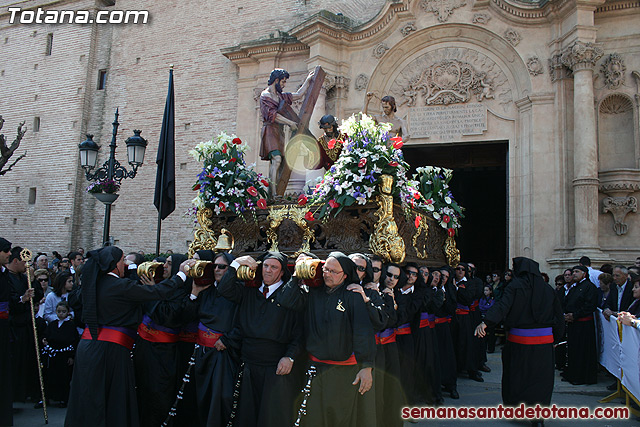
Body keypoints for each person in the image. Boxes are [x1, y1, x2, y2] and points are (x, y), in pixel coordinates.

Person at [64, 246, 192, 427]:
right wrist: (180, 275)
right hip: (110, 351)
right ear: (114, 264)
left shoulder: (94, 284)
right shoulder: (118, 286)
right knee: (111, 399)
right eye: (122, 260)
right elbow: (155, 293)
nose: (125, 264)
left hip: (89, 349)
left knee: (89, 397)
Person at [277, 252, 376, 427]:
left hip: (342, 372)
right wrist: (296, 275)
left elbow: (363, 332)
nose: (327, 274)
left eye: (333, 271)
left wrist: (366, 366)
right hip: (314, 368)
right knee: (312, 418)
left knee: (338, 419)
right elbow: (285, 300)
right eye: (325, 270)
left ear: (345, 275)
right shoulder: (313, 293)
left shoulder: (352, 296)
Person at [216, 252, 304, 427]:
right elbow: (223, 289)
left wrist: (290, 356)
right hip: (248, 364)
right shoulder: (249, 292)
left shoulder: (291, 295)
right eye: (265, 266)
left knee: (271, 417)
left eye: (274, 267)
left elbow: (300, 332)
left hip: (276, 366)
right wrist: (236, 264)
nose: (268, 271)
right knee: (246, 415)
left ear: (281, 272)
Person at [475, 257, 564, 427]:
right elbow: (559, 316)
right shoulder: (547, 289)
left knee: (518, 376)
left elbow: (502, 306)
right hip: (544, 343)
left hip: (519, 342)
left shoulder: (514, 286)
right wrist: (557, 338)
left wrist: (486, 322)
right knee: (541, 379)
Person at [133, 253, 195, 427]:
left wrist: (154, 292)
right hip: (145, 346)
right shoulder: (161, 285)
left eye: (169, 263)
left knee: (158, 395)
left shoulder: (182, 292)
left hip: (163, 353)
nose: (164, 266)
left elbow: (166, 316)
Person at [192, 251, 239, 427]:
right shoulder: (207, 290)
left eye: (222, 266)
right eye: (215, 266)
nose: (218, 270)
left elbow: (242, 322)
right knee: (201, 396)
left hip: (222, 355)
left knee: (220, 399)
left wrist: (227, 340)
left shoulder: (238, 292)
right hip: (203, 353)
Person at [259, 68, 315, 197]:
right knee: (276, 159)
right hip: (270, 130)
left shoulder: (280, 96)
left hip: (279, 131)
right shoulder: (265, 96)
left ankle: (274, 192)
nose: (284, 85)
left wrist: (308, 80)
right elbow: (273, 116)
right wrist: (290, 123)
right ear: (276, 80)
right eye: (283, 82)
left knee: (280, 162)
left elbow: (299, 95)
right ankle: (273, 195)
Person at [6, 246, 44, 403]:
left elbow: (38, 296)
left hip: (28, 325)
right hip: (14, 327)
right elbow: (9, 302)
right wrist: (22, 298)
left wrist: (33, 280)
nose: (27, 265)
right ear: (15, 261)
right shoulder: (6, 278)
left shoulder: (24, 277)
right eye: (24, 262)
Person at [561, 265, 598, 385]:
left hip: (583, 325)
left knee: (582, 351)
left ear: (584, 274)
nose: (574, 274)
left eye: (577, 272)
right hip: (573, 324)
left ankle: (581, 377)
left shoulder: (589, 287)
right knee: (573, 350)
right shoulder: (575, 287)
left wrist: (575, 315)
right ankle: (572, 373)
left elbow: (589, 306)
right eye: (573, 272)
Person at [42, 301, 78, 407]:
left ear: (67, 312)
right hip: (53, 354)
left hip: (64, 354)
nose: (61, 314)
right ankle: (49, 397)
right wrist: (44, 339)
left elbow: (74, 341)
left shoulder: (71, 326)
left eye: (63, 311)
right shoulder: (53, 324)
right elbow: (46, 335)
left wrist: (71, 356)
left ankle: (63, 399)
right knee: (50, 376)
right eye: (58, 311)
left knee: (63, 378)